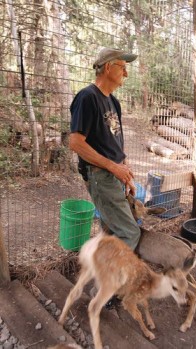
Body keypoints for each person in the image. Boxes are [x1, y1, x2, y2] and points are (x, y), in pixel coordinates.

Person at [69, 47, 141, 252]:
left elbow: (115, 141)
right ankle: (115, 281)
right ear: (108, 67)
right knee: (130, 232)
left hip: (114, 176)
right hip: (101, 176)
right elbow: (75, 143)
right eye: (123, 67)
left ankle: (101, 275)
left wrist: (125, 173)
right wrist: (114, 168)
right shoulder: (87, 97)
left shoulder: (113, 102)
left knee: (110, 231)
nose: (126, 73)